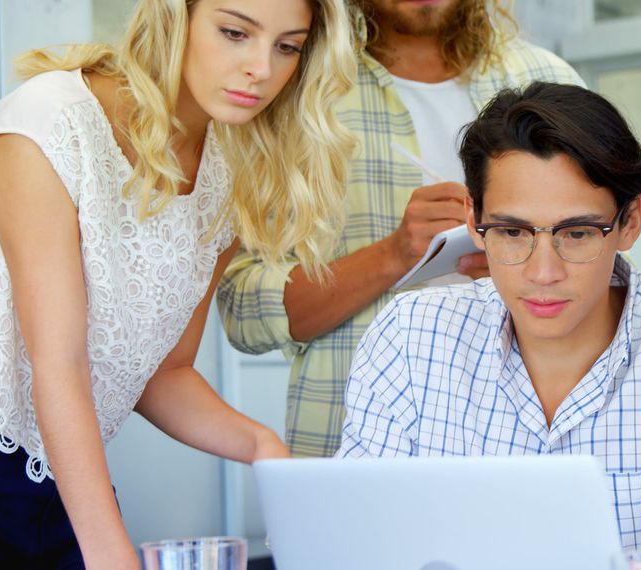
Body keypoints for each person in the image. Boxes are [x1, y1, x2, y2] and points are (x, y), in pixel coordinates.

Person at [335, 82, 641, 550]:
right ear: (473, 221)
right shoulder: (410, 337)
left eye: (578, 233)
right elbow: (361, 541)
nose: (543, 272)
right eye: (511, 231)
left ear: (629, 222)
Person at [0, 0, 357, 567]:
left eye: (287, 46)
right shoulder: (51, 121)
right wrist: (112, 555)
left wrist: (261, 444)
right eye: (235, 32)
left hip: (58, 484)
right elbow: (57, 364)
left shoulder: (226, 173)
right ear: (175, 17)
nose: (261, 67)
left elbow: (164, 373)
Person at [216, 0, 583, 458]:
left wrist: (527, 261)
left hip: (534, 440)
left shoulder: (549, 81)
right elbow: (243, 313)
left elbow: (605, 269)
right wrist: (395, 254)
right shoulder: (297, 86)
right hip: (353, 444)